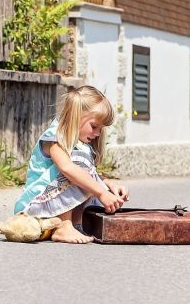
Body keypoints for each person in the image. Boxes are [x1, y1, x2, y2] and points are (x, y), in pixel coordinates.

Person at [13, 85, 130, 244]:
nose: (96, 134)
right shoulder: (55, 137)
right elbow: (67, 168)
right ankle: (63, 226)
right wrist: (101, 193)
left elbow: (86, 174)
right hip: (33, 204)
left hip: (48, 204)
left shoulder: (78, 142)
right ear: (76, 116)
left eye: (100, 130)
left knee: (88, 177)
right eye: (94, 126)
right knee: (77, 168)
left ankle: (75, 223)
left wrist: (108, 184)